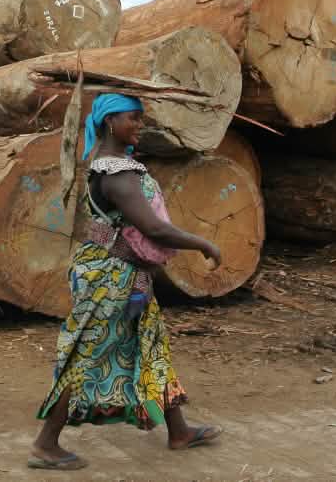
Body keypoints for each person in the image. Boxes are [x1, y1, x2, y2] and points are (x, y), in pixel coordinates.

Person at [29, 93, 224, 471]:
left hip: (126, 274)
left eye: (140, 118)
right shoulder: (116, 174)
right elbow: (152, 227)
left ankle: (179, 431)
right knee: (86, 355)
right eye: (132, 118)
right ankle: (45, 443)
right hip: (109, 277)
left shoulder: (118, 165)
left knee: (151, 347)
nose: (139, 125)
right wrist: (203, 243)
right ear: (108, 122)